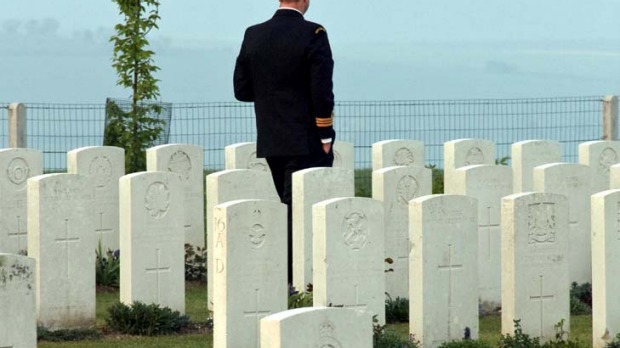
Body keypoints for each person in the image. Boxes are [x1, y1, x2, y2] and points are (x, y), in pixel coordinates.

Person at [233, 0, 335, 285]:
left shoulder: (253, 34)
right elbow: (322, 90)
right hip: (306, 138)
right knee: (302, 211)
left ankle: (289, 275)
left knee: (287, 205)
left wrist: (271, 95)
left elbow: (242, 90)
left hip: (271, 137)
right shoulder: (313, 33)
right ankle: (293, 276)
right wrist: (325, 134)